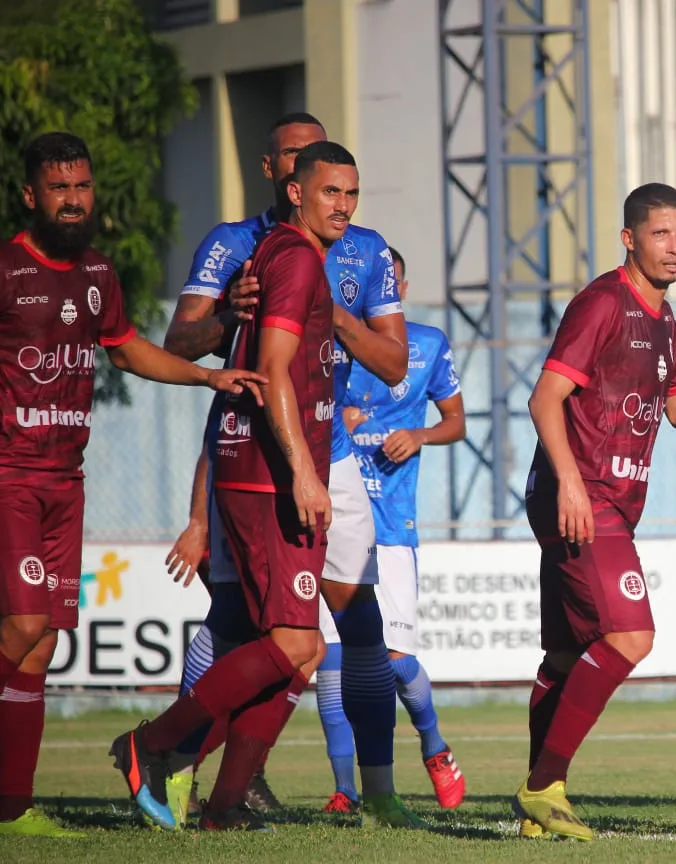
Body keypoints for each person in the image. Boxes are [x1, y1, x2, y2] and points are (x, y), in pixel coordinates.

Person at [161, 113, 422, 827]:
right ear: (277, 170)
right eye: (300, 161)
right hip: (250, 447)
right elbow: (179, 341)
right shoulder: (234, 244)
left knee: (351, 624)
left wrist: (330, 314)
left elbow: (396, 364)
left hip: (325, 450)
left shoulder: (362, 252)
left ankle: (377, 790)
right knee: (244, 624)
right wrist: (226, 321)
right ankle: (182, 770)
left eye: (342, 181)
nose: (332, 193)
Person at [0, 132, 264, 838]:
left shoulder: (96, 273)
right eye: (58, 188)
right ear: (31, 195)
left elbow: (129, 348)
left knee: (42, 644)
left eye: (81, 187)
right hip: (11, 475)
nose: (73, 200)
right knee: (21, 627)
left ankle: (13, 810)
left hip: (66, 477)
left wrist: (209, 374)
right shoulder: (6, 269)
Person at [109, 140, 349, 831]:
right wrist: (304, 472)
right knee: (298, 646)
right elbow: (273, 370)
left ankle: (222, 806)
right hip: (271, 479)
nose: (342, 205)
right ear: (295, 190)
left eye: (351, 193)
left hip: (253, 471)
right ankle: (152, 746)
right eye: (330, 190)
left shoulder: (274, 253)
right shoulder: (297, 258)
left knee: (281, 648)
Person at [512, 183, 676, 841]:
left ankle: (538, 807)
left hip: (608, 501)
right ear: (630, 238)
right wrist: (569, 483)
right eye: (661, 234)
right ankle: (544, 787)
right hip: (582, 497)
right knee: (630, 636)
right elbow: (546, 400)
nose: (674, 248)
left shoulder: (664, 318)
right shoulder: (602, 303)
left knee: (567, 657)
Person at [320, 247, 467, 813]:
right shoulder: (328, 345)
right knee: (332, 658)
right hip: (334, 520)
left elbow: (455, 421)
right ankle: (345, 790)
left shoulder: (425, 345)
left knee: (396, 660)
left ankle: (433, 742)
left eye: (392, 282)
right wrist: (340, 418)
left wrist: (421, 436)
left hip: (392, 525)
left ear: (400, 286)